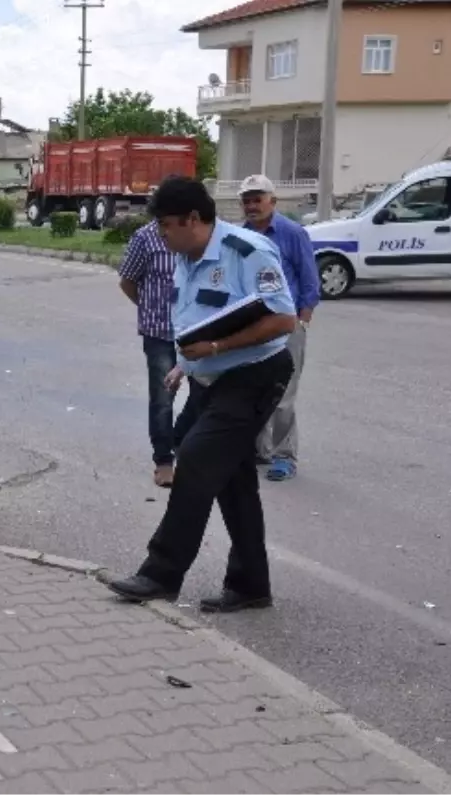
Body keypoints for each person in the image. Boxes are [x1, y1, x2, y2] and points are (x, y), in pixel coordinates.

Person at [107, 176, 297, 613]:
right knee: (234, 482)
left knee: (193, 458)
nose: (161, 235)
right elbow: (198, 318)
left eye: (166, 226)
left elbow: (283, 320)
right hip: (208, 380)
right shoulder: (185, 255)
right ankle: (251, 584)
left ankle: (160, 573)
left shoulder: (247, 252)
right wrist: (185, 364)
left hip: (254, 376)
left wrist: (215, 348)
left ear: (193, 219)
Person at [239, 174, 320, 482]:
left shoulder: (291, 233)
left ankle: (284, 456)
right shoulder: (240, 235)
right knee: (254, 390)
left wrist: (303, 319)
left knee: (283, 393)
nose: (251, 206)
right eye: (246, 200)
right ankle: (259, 449)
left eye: (257, 199)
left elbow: (310, 280)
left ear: (272, 201)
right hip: (253, 326)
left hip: (287, 325)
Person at [119, 217, 181, 487]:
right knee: (162, 399)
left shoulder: (196, 233)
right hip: (160, 333)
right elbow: (128, 281)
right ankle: (164, 460)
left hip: (196, 330)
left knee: (206, 395)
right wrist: (148, 309)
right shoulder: (145, 238)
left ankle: (192, 450)